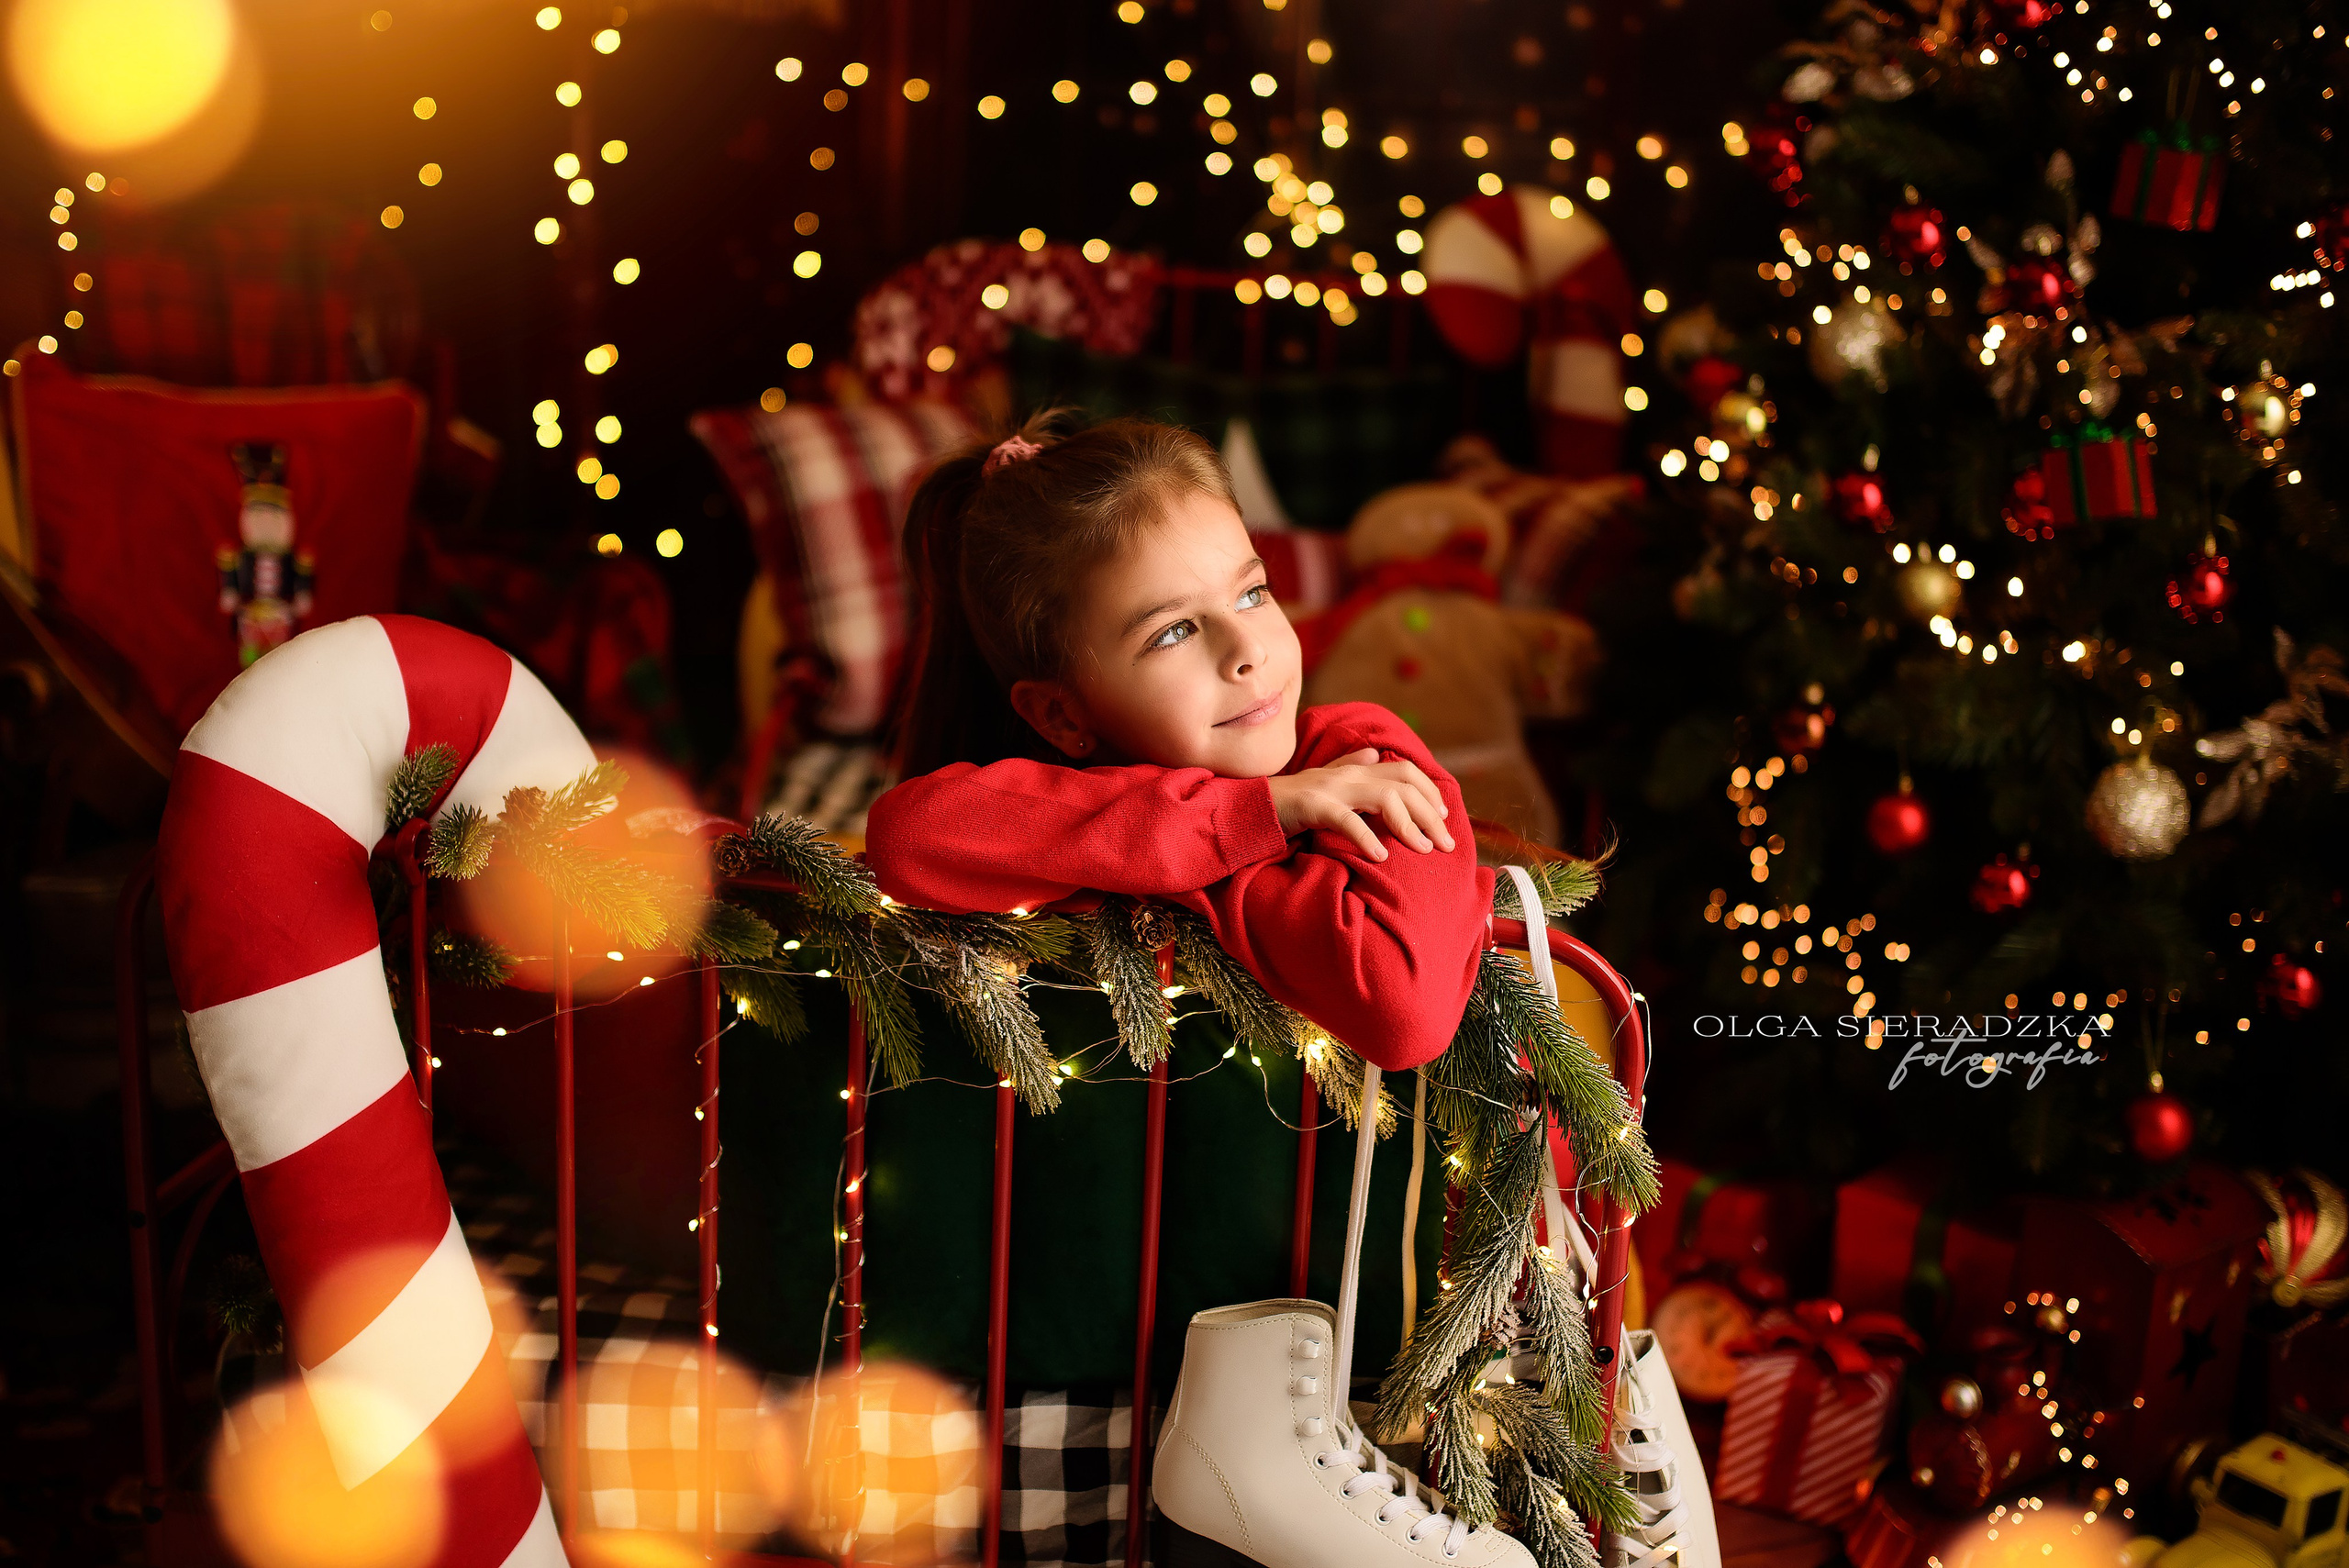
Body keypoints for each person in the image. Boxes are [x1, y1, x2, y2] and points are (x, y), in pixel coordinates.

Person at [863, 410, 1491, 1076]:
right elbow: (906, 838)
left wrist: (1196, 866)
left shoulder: (1366, 761)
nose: (1248, 650)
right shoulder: (1056, 808)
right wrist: (1248, 816)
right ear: (1060, 715)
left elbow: (1405, 1017)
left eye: (1252, 593)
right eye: (1173, 632)